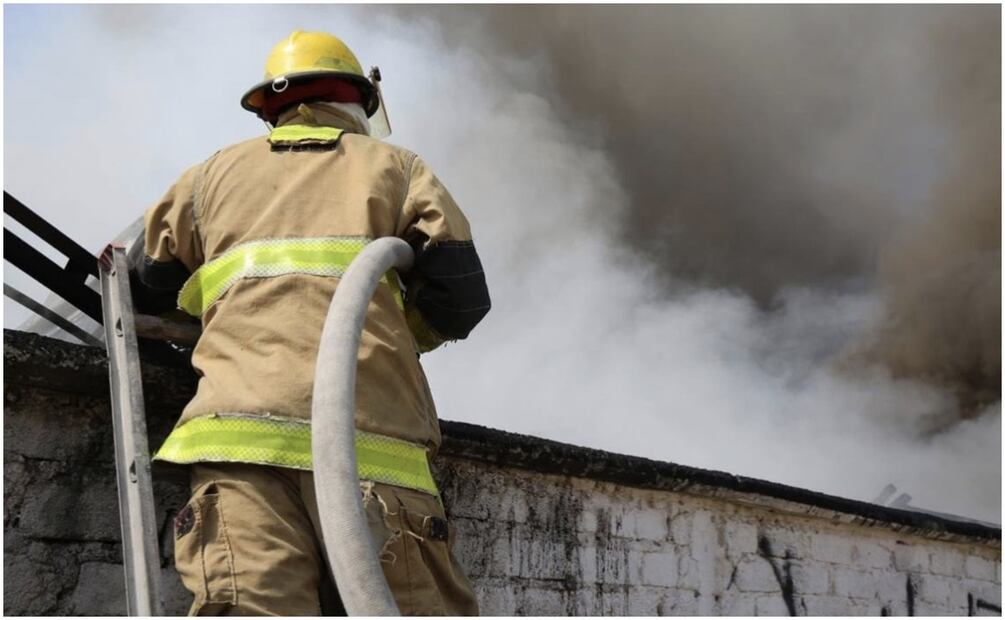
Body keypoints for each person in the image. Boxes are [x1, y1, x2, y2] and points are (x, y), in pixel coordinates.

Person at [129, 30, 490, 616]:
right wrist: (399, 334)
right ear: (357, 101)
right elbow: (462, 300)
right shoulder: (398, 169)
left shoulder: (206, 178)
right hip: (372, 449)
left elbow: (145, 286)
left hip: (240, 451)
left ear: (270, 108)